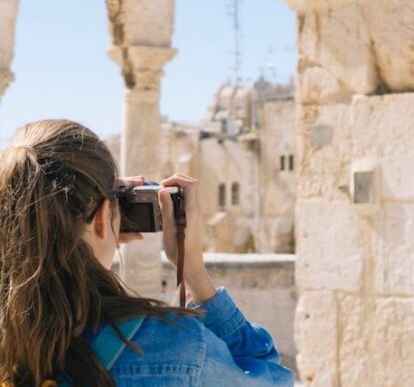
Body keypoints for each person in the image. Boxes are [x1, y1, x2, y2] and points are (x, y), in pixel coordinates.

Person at [0, 119, 294, 386]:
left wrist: (105, 216)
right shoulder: (175, 346)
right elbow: (273, 381)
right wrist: (194, 273)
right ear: (103, 217)